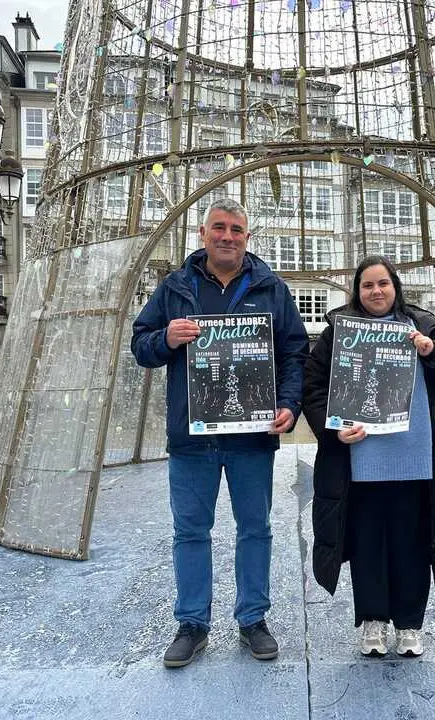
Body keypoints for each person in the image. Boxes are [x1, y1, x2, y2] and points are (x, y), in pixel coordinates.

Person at [131, 198, 309, 668]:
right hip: (192, 438)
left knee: (256, 528)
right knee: (190, 531)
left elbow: (295, 352)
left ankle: (253, 619)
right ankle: (192, 623)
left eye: (236, 230)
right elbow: (140, 345)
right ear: (203, 233)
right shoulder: (175, 287)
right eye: (219, 228)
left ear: (247, 238)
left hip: (252, 437)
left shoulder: (272, 289)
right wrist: (165, 339)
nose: (227, 236)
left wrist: (289, 404)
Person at [302, 255, 435, 658]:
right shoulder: (338, 332)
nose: (376, 291)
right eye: (367, 285)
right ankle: (372, 622)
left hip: (416, 460)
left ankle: (410, 624)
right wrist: (332, 427)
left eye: (383, 284)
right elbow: (312, 387)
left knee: (412, 546)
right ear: (357, 292)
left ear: (395, 288)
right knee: (367, 546)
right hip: (360, 461)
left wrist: (433, 352)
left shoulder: (422, 326)